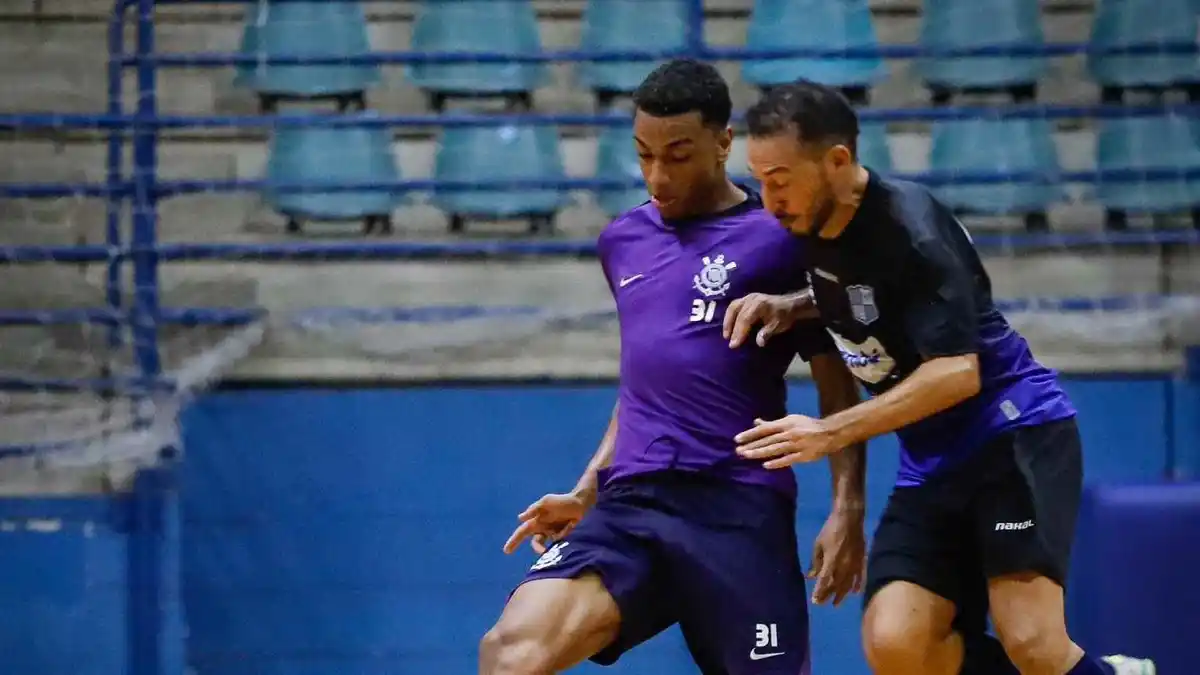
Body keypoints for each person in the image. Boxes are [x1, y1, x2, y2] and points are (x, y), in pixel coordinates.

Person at [724, 79, 1157, 675]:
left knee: (1033, 643)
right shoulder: (810, 229)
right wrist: (795, 303)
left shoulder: (911, 227)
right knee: (896, 641)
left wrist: (830, 433)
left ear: (838, 161)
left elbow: (957, 372)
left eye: (780, 180)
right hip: (933, 460)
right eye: (760, 179)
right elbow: (860, 292)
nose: (769, 200)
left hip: (1011, 436)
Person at [478, 60, 868, 675]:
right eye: (644, 155)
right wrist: (586, 488)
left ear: (723, 143)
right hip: (632, 503)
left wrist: (848, 509)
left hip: (736, 507)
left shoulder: (781, 237)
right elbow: (645, 382)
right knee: (511, 654)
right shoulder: (623, 240)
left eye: (679, 154)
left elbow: (836, 383)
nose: (658, 175)